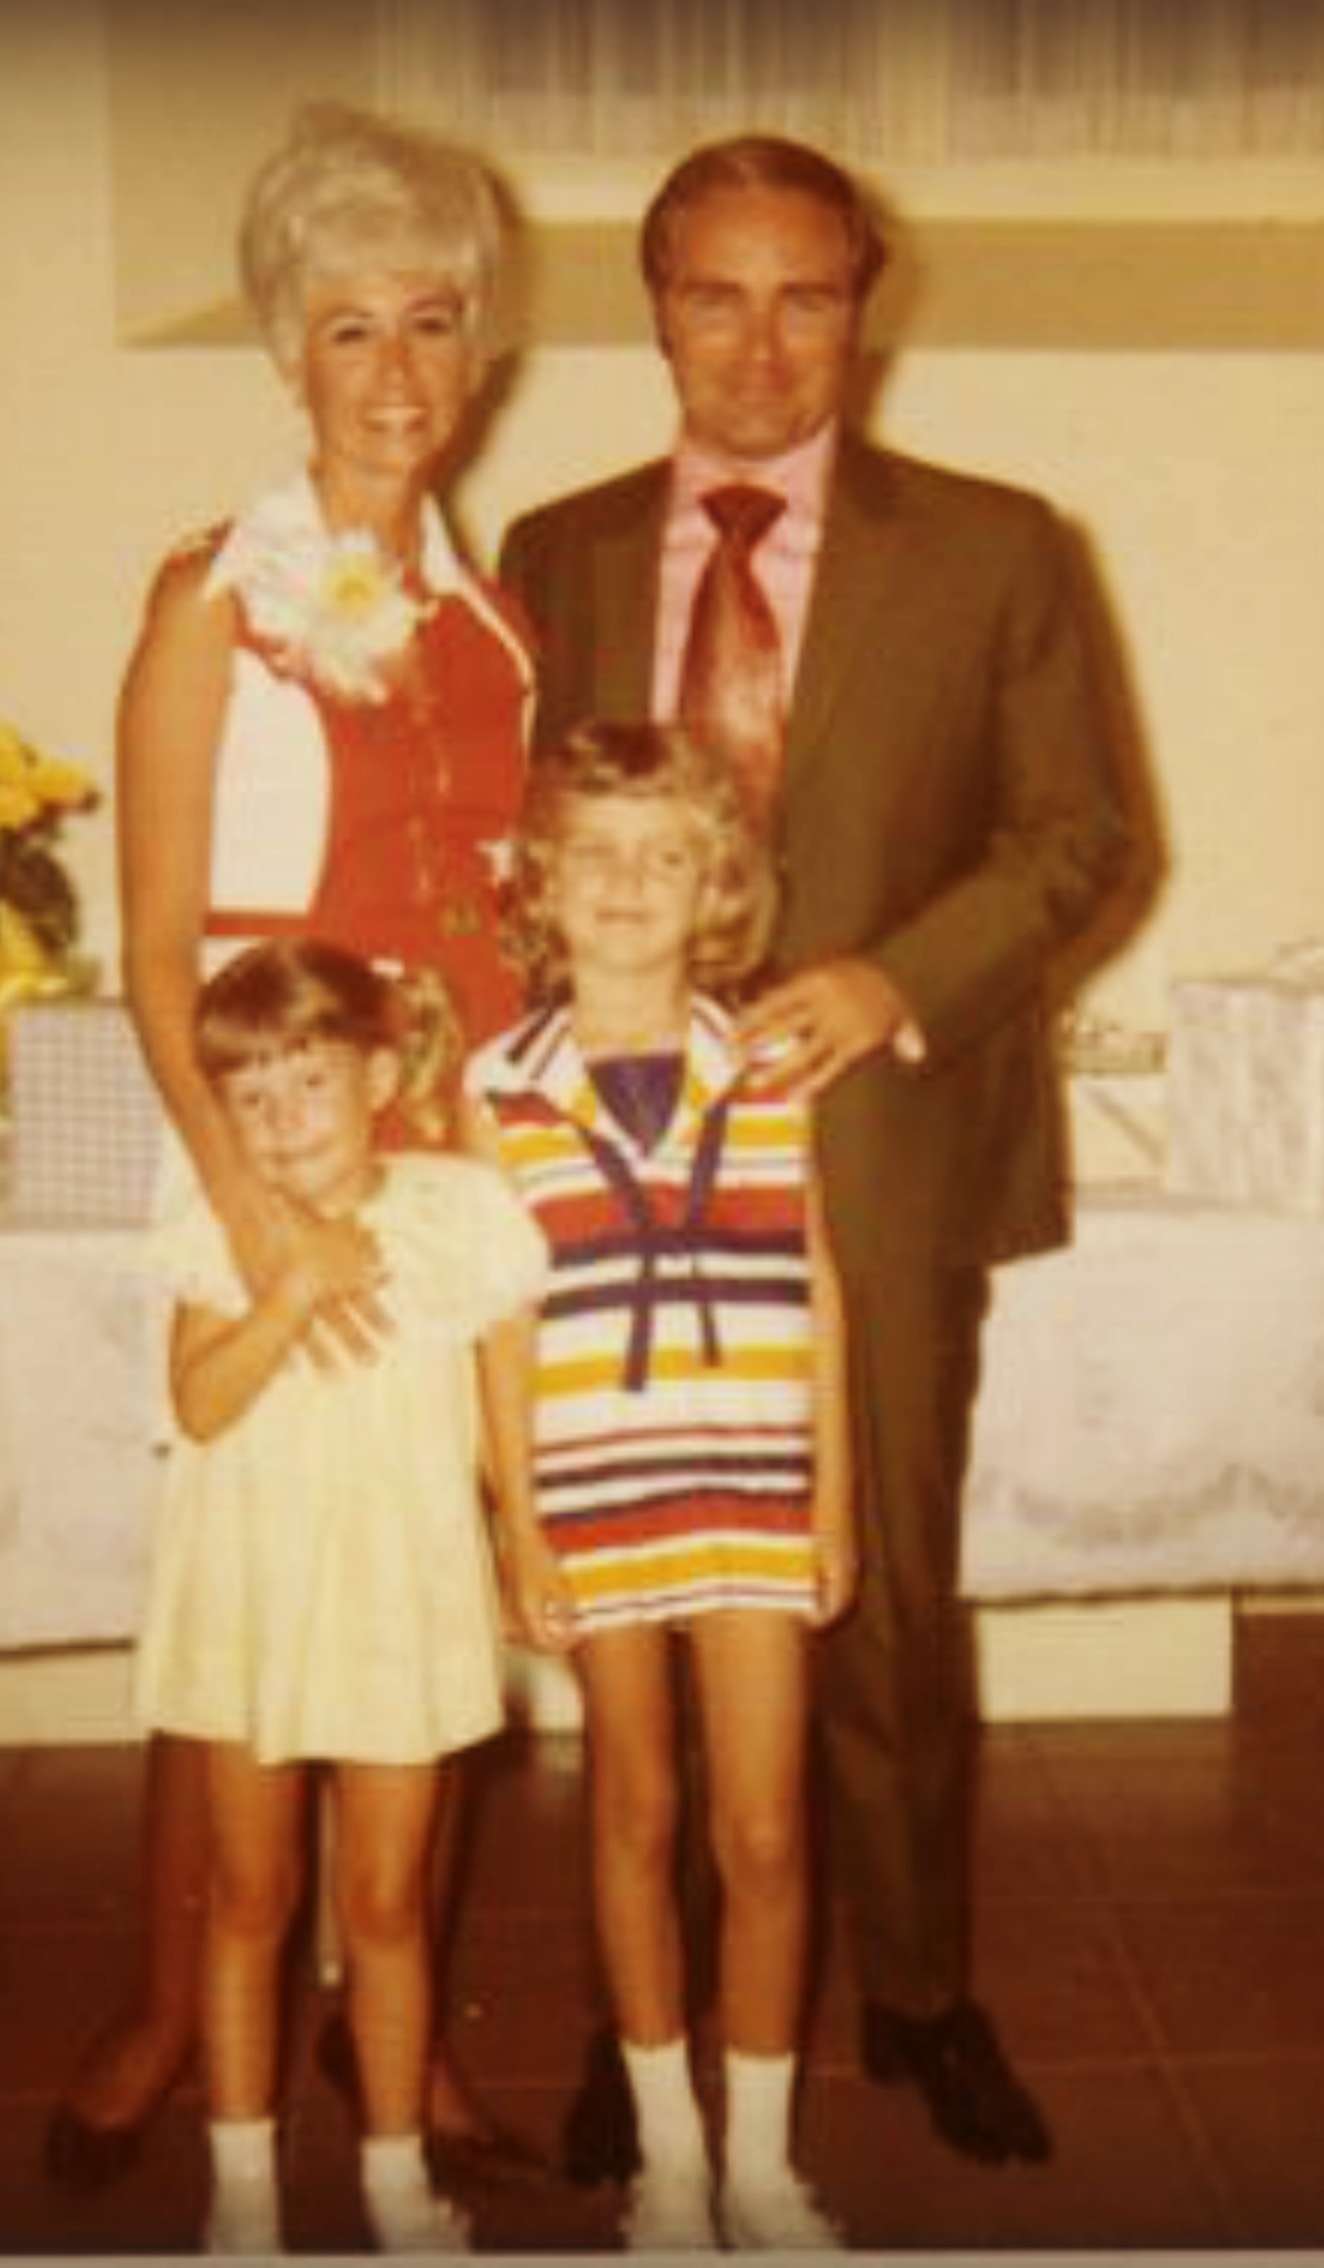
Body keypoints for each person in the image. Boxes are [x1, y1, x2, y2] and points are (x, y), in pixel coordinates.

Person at [498, 134, 1134, 2173]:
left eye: (809, 297)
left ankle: (921, 1991)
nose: (763, 346)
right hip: (602, 1170)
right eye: (714, 295)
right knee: (631, 1608)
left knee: (877, 1595)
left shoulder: (1001, 547)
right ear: (653, 304)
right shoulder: (559, 545)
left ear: (867, 302)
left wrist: (888, 979)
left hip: (871, 1144)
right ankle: (644, 2026)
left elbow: (1078, 836)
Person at [48, 103, 535, 2190]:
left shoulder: (489, 612)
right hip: (259, 1131)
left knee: (405, 1574)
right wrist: (247, 1202)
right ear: (286, 349)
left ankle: (384, 2049)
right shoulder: (206, 599)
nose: (399, 375)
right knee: (249, 1582)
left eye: (436, 325)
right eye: (353, 330)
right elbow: (155, 947)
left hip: (435, 1163)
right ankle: (179, 2006)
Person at [467, 721, 856, 2250]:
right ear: (542, 882)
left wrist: (836, 1505)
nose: (630, 883)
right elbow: (499, 1328)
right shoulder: (496, 1085)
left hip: (754, 1481)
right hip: (600, 1490)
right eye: (598, 853)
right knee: (632, 1806)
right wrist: (522, 1526)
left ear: (718, 888)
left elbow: (817, 1280)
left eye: (667, 854)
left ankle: (762, 2164)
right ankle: (671, 2162)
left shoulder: (767, 1060)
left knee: (762, 1832)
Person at [135, 939, 548, 2252]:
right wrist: (294, 1285)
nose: (278, 1121)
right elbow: (198, 1403)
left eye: (306, 1084)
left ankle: (393, 2181)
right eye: (247, 1096)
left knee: (384, 1904)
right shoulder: (221, 1227)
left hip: (396, 1596)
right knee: (250, 1897)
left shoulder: (458, 1209)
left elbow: (502, 1411)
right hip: (251, 1596)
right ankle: (243, 2200)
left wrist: (527, 1544)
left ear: (379, 1073)